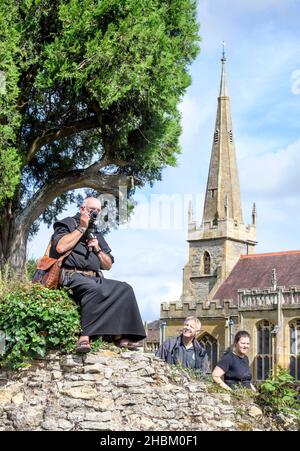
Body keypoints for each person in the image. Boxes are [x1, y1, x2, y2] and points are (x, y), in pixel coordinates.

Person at [49, 196, 146, 353]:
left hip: (94, 276)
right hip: (71, 275)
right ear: (82, 209)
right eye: (92, 210)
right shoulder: (67, 223)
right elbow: (60, 247)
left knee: (125, 288)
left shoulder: (96, 233)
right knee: (94, 288)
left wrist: (98, 249)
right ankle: (85, 336)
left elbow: (108, 265)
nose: (95, 213)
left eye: (98, 211)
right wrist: (81, 228)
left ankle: (121, 336)